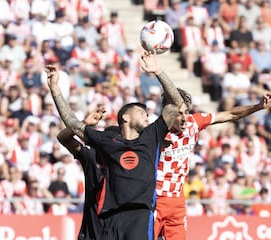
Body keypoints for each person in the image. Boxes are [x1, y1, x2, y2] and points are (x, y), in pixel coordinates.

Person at [45, 51, 184, 240]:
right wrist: (55, 89)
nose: (146, 115)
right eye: (140, 112)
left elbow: (176, 104)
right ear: (125, 117)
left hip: (140, 215)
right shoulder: (106, 142)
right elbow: (72, 124)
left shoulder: (152, 136)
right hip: (109, 218)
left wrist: (158, 71)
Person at [154, 89, 271, 239]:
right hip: (155, 199)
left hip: (178, 200)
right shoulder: (155, 133)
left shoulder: (193, 123)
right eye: (179, 114)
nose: (185, 118)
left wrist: (257, 106)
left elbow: (230, 114)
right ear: (168, 113)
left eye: (186, 112)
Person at [57, 108, 106, 240]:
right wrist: (83, 123)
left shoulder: (131, 160)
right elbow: (63, 137)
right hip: (92, 229)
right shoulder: (92, 156)